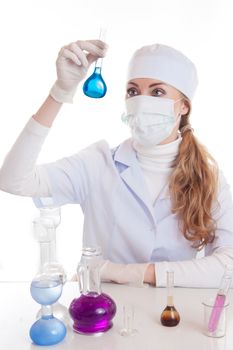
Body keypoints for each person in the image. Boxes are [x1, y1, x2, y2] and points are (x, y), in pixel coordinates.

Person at [0, 39, 233, 288]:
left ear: (184, 106)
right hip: (102, 317)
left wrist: (125, 272)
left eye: (157, 92)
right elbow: (13, 180)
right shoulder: (98, 163)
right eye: (133, 91)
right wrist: (59, 92)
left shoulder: (208, 177)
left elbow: (228, 265)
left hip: (172, 318)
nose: (142, 101)